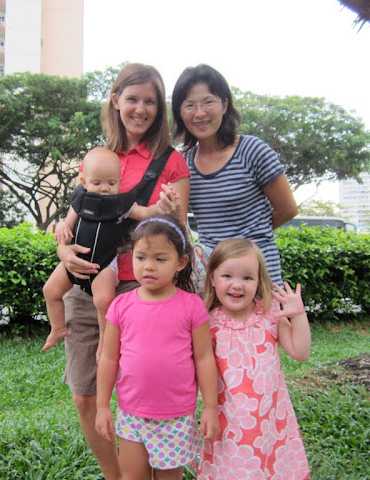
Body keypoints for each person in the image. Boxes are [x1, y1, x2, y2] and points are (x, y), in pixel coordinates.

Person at [57, 63, 190, 480]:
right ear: (115, 100)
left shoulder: (171, 162)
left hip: (141, 289)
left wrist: (170, 213)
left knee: (143, 401)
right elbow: (74, 220)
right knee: (84, 395)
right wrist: (63, 250)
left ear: (160, 107)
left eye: (150, 101)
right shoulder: (98, 158)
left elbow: (180, 235)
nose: (140, 109)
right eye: (132, 99)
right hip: (85, 282)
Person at [96, 215, 220, 480]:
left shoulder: (192, 306)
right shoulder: (120, 306)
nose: (148, 266)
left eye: (160, 259)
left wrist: (210, 407)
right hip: (132, 414)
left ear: (180, 262)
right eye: (141, 257)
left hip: (176, 416)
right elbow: (108, 358)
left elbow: (204, 357)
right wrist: (102, 406)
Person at [171, 64, 298, 286]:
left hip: (258, 273)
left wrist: (250, 238)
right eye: (189, 105)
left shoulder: (252, 150)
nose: (199, 113)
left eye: (208, 102)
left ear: (224, 104)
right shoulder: (184, 164)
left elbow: (288, 209)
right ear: (180, 113)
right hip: (215, 276)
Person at [198, 238, 311, 480]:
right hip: (228, 421)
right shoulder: (207, 323)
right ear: (212, 278)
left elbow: (300, 352)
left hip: (270, 420)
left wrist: (299, 315)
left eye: (248, 278)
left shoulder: (270, 315)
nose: (237, 285)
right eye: (227, 276)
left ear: (259, 281)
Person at [42, 146, 161, 354]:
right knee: (50, 291)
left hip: (103, 265)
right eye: (97, 183)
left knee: (103, 301)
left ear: (119, 181)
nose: (105, 189)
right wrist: (61, 226)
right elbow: (68, 223)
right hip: (74, 262)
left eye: (111, 183)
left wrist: (163, 206)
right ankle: (58, 327)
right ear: (83, 181)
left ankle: (105, 341)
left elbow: (146, 213)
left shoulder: (121, 205)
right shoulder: (80, 200)